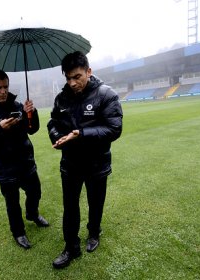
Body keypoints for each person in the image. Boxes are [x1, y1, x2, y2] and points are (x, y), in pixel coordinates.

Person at [47, 51, 123, 268]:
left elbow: (114, 129)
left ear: (88, 72)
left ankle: (94, 232)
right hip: (70, 163)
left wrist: (82, 134)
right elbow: (53, 122)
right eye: (68, 78)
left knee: (95, 202)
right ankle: (71, 247)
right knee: (70, 206)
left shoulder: (106, 95)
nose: (72, 82)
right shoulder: (61, 98)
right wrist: (57, 136)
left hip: (97, 163)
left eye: (77, 76)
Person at [0, 69, 49, 250]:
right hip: (5, 168)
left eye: (5, 87)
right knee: (12, 203)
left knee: (35, 192)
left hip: (26, 162)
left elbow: (32, 129)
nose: (3, 91)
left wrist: (32, 112)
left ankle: (32, 214)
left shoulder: (17, 106)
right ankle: (19, 232)